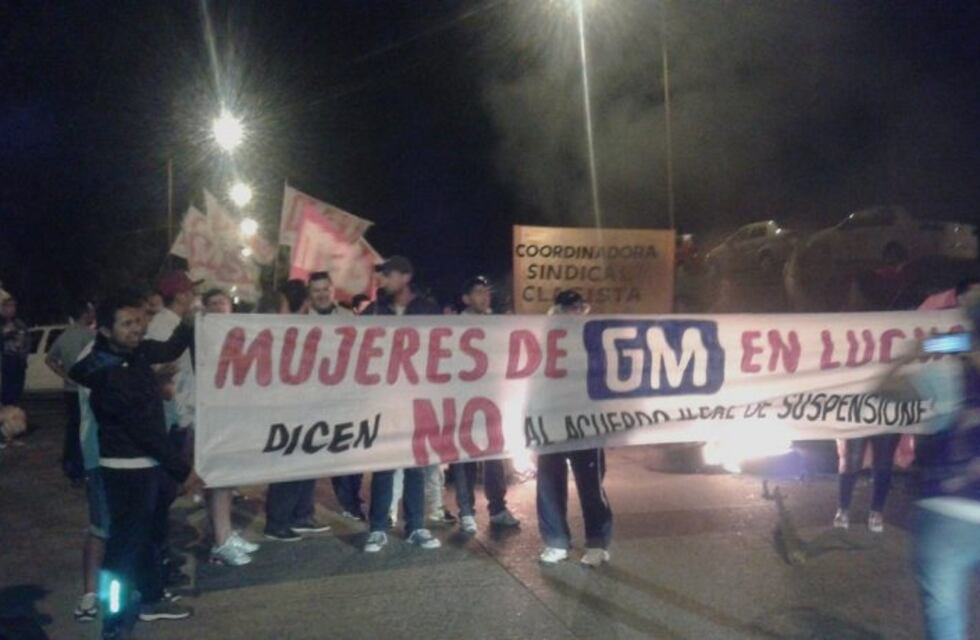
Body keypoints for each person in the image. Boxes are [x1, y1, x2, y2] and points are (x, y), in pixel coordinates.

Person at [70, 289, 196, 639]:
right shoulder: (109, 371)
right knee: (122, 550)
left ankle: (151, 598)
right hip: (126, 470)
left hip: (147, 466)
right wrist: (183, 470)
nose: (137, 328)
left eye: (139, 321)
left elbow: (169, 349)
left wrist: (188, 323)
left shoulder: (134, 352)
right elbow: (145, 432)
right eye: (127, 323)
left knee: (149, 537)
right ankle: (113, 621)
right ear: (105, 330)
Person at [876, 293, 980, 640]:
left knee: (945, 622)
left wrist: (910, 356)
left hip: (944, 514)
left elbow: (884, 393)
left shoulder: (948, 373)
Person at [362, 256, 442, 553]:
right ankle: (378, 528)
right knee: (384, 465)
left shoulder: (428, 311)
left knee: (415, 466)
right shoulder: (375, 311)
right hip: (383, 400)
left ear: (405, 277)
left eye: (388, 275)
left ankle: (416, 525)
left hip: (417, 399)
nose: (383, 280)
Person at [537, 290, 613, 566]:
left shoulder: (595, 338)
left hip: (587, 422)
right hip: (551, 420)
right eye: (571, 307)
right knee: (549, 483)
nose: (576, 312)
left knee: (591, 484)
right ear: (558, 310)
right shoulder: (543, 339)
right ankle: (556, 541)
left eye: (580, 307)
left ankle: (597, 543)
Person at [449, 276, 520, 534]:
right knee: (464, 457)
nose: (485, 296)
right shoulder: (454, 327)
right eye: (478, 291)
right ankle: (467, 511)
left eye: (486, 291)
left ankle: (498, 509)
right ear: (466, 298)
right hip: (463, 400)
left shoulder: (498, 324)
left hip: (492, 400)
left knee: (494, 457)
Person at [263, 279, 331, 541]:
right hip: (289, 407)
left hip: (309, 404)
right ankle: (278, 521)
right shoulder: (283, 330)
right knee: (289, 462)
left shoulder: (304, 327)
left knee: (307, 461)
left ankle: (301, 514)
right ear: (304, 302)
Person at [200, 288, 260, 566]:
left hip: (231, 415)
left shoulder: (239, 334)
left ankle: (225, 533)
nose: (217, 307)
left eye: (221, 303)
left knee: (228, 479)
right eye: (212, 303)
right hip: (212, 416)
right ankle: (220, 541)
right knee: (218, 478)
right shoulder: (202, 334)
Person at [305, 272, 367, 521]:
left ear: (332, 291)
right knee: (328, 451)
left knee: (352, 450)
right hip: (315, 398)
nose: (321, 294)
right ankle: (344, 503)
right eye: (316, 290)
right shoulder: (299, 321)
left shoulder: (348, 318)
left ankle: (353, 498)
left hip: (347, 396)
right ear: (310, 294)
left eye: (325, 289)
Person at [45, 301, 97, 485]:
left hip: (69, 390)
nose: (93, 315)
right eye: (91, 312)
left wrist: (66, 376)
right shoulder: (90, 336)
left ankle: (70, 465)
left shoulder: (64, 336)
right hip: (85, 390)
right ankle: (82, 468)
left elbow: (50, 360)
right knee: (86, 430)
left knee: (73, 428)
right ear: (85, 314)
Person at [833, 434, 901, 532]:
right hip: (859, 425)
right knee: (850, 461)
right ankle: (843, 509)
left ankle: (877, 511)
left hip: (886, 427)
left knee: (884, 463)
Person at [1, 295, 30, 407]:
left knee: (16, 394)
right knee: (6, 394)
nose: (12, 309)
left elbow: (27, 341)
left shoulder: (20, 324)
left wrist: (23, 355)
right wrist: (6, 335)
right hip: (5, 364)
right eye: (9, 306)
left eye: (13, 306)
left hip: (18, 363)